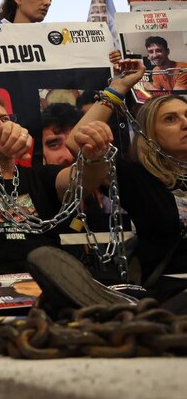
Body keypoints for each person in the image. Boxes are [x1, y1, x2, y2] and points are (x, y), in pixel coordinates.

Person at [0, 94, 112, 315]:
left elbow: (83, 180)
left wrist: (95, 157)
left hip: (45, 290)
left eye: (4, 118)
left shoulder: (40, 177)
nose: (0, 125)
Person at [68, 59, 187, 305]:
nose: (185, 123)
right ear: (149, 135)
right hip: (171, 297)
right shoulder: (139, 178)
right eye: (170, 119)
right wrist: (119, 88)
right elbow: (78, 142)